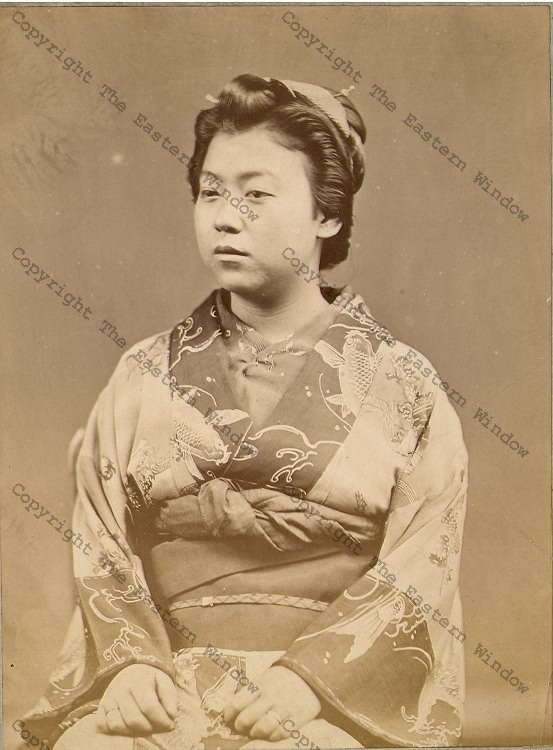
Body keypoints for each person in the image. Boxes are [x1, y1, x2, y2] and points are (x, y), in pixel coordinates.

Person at [23, 74, 468, 749]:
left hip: (324, 697)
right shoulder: (143, 373)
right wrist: (130, 669)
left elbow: (420, 562)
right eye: (210, 192)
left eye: (256, 195)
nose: (224, 216)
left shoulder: (400, 382)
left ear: (328, 214)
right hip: (165, 682)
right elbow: (101, 541)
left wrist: (307, 684)